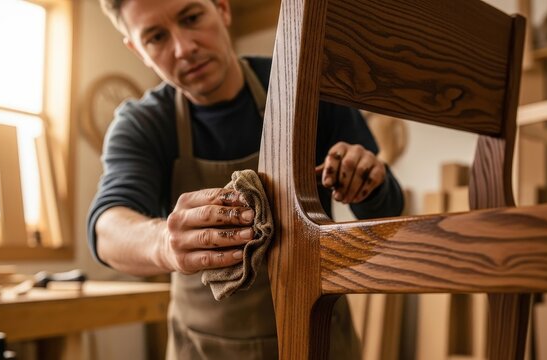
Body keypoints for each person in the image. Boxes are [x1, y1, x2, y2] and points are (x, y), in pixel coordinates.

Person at [89, 0, 404, 358]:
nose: (184, 48)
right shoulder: (142, 124)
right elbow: (107, 227)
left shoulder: (302, 83)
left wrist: (367, 182)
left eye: (192, 18)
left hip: (320, 340)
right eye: (157, 38)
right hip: (202, 348)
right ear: (137, 50)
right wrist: (163, 242)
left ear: (222, 8)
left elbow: (389, 210)